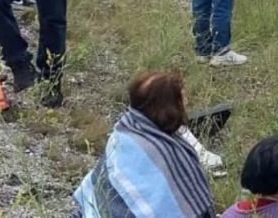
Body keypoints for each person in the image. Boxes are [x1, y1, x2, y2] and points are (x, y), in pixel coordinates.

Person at [73, 71, 217, 217]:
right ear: (169, 107)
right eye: (182, 97)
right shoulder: (166, 154)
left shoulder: (125, 129)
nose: (187, 101)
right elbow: (192, 208)